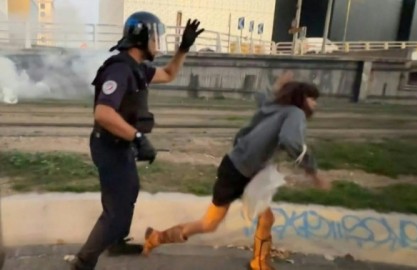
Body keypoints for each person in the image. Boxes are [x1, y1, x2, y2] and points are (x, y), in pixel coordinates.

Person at [142, 71, 331, 270]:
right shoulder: (295, 113)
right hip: (237, 172)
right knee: (209, 224)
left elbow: (262, 99)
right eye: (312, 99)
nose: (315, 104)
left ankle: (259, 262)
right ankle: (156, 238)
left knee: (266, 218)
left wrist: (276, 86)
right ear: (302, 98)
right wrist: (313, 172)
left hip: (246, 171)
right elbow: (291, 141)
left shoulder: (276, 108)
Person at [70, 11, 204, 270]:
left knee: (128, 192)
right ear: (141, 38)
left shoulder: (138, 69)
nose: (157, 44)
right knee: (115, 210)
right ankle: (83, 262)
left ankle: (116, 241)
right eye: (155, 38)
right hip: (109, 145)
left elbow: (169, 74)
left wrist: (184, 48)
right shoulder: (120, 70)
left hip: (121, 144)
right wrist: (138, 137)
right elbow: (103, 112)